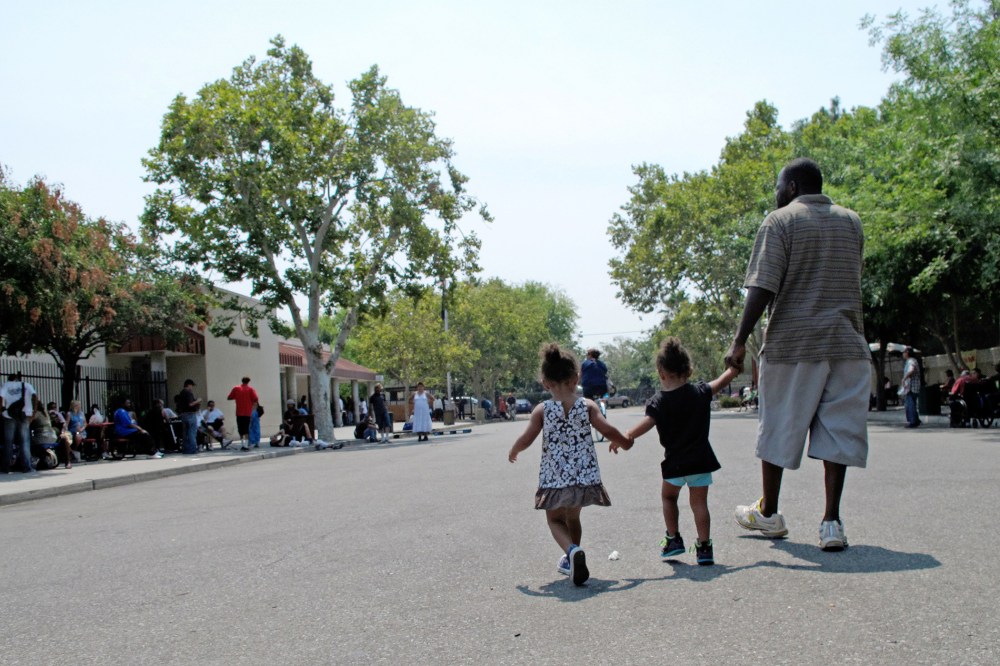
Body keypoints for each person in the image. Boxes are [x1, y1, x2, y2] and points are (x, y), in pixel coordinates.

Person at [724, 158, 871, 552]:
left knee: (778, 426)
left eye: (777, 187)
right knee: (837, 432)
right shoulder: (852, 221)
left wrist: (739, 341)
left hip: (794, 345)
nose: (775, 195)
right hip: (846, 343)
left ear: (790, 187)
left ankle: (769, 513)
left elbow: (763, 285)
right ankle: (831, 523)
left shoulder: (780, 221)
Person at [508, 343, 630, 586]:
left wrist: (515, 449)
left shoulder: (542, 410)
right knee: (573, 518)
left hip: (555, 478)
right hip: (583, 477)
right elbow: (607, 430)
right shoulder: (588, 406)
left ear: (545, 382)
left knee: (554, 520)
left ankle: (572, 553)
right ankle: (574, 555)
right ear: (577, 378)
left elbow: (527, 438)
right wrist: (624, 441)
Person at [615, 337, 738, 565]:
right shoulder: (701, 392)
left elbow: (647, 423)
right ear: (688, 370)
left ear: (661, 373)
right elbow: (722, 381)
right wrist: (733, 368)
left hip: (675, 463)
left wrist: (627, 436)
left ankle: (673, 540)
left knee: (668, 497)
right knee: (699, 504)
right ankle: (704, 548)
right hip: (701, 461)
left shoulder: (658, 402)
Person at [1, 372, 36, 473]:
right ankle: (27, 467)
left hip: (9, 414)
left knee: (8, 441)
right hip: (24, 414)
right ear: (18, 379)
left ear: (9, 379)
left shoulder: (6, 385)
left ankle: (6, 467)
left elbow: (1, 398)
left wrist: (1, 411)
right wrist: (34, 412)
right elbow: (34, 397)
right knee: (25, 441)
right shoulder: (27, 385)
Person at [227, 376, 260, 449]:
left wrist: (237, 397)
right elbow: (255, 399)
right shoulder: (251, 389)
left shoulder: (236, 388)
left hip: (239, 412)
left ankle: (242, 444)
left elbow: (229, 397)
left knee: (240, 429)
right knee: (247, 428)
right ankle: (246, 444)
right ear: (248, 382)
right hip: (247, 412)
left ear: (242, 381)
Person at [175, 379, 201, 455]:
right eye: (192, 385)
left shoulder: (181, 393)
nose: (192, 387)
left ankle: (185, 449)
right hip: (190, 414)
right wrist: (198, 400)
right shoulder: (188, 393)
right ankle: (192, 449)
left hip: (183, 414)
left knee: (185, 433)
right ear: (189, 385)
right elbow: (190, 404)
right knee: (192, 432)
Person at [901, 347, 922, 428]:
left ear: (907, 352)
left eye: (904, 352)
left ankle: (913, 421)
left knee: (910, 404)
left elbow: (911, 370)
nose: (903, 354)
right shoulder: (910, 361)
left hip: (912, 386)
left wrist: (904, 378)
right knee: (911, 403)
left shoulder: (911, 361)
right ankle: (916, 420)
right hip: (911, 386)